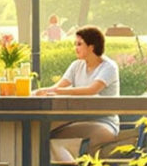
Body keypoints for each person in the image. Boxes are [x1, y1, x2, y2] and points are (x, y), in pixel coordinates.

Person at [36, 24, 121, 157]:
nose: (75, 48)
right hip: (80, 120)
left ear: (91, 47)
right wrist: (38, 91)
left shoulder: (109, 67)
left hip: (104, 123)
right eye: (75, 44)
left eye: (79, 44)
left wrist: (58, 92)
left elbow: (92, 90)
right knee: (49, 136)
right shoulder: (76, 65)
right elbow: (58, 86)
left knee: (54, 140)